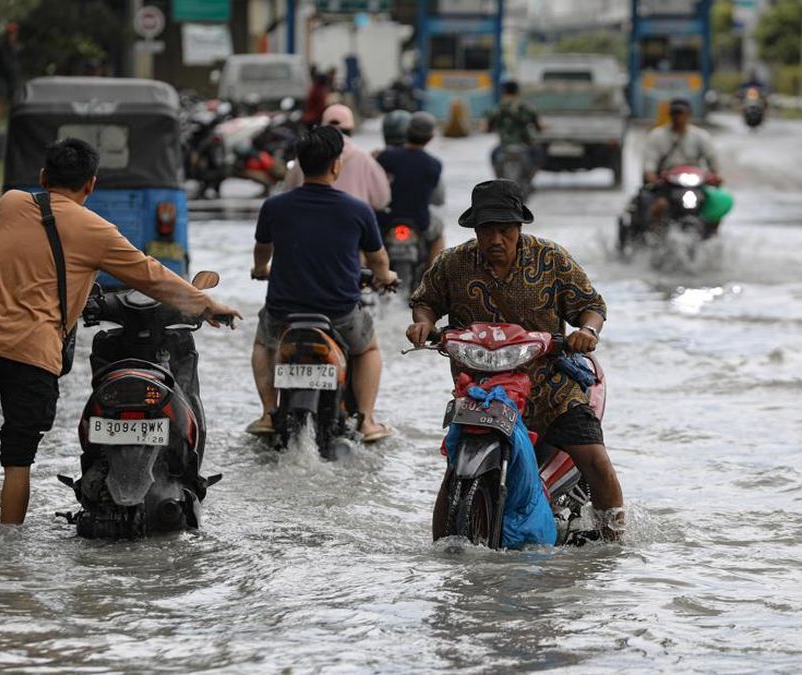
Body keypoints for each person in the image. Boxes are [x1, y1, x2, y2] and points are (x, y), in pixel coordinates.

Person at [0, 138, 241, 525]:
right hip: (32, 353)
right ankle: (8, 545)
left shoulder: (10, 203)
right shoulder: (97, 230)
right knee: (17, 460)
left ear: (42, 176)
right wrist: (207, 304)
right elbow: (150, 274)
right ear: (91, 185)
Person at [406, 179, 625, 542]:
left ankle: (614, 542)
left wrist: (587, 331)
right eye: (487, 231)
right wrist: (423, 323)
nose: (495, 240)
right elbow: (425, 300)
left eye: (504, 231)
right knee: (452, 473)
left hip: (550, 389)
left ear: (519, 228)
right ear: (475, 230)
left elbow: (591, 307)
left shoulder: (550, 258)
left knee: (594, 459)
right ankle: (442, 550)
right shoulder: (452, 263)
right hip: (480, 393)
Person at [247, 126, 398, 441]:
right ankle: (368, 421)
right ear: (336, 165)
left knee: (264, 343)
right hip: (339, 314)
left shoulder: (275, 207)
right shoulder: (358, 209)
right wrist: (385, 277)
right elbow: (378, 259)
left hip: (283, 313)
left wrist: (261, 268)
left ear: (301, 164)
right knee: (368, 348)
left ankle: (266, 413)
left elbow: (262, 251)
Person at [633, 98, 729, 235]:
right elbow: (649, 166)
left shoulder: (700, 136)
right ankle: (654, 235)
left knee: (715, 208)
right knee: (660, 206)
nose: (678, 117)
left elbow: (713, 162)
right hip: (666, 185)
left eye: (681, 113)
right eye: (675, 113)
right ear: (670, 115)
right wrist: (653, 178)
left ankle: (712, 236)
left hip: (696, 184)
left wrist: (715, 177)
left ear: (688, 115)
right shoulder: (657, 136)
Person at [284, 104, 390, 212]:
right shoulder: (364, 158)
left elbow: (288, 190)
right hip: (352, 223)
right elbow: (381, 200)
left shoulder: (306, 155)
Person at [376, 111, 446, 261]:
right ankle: (433, 276)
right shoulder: (433, 164)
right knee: (438, 231)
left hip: (384, 220)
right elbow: (438, 199)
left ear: (407, 132)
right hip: (419, 222)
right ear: (431, 137)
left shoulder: (384, 157)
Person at [485, 80, 542, 169]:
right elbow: (537, 125)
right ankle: (533, 172)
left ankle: (497, 176)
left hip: (504, 144)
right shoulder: (526, 107)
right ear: (517, 91)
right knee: (538, 153)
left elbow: (488, 127)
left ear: (504, 92)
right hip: (524, 143)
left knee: (493, 155)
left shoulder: (498, 108)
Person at [0, 22, 22, 132]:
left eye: (13, 33)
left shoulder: (18, 47)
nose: (11, 35)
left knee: (14, 102)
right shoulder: (0, 47)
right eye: (10, 33)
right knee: (0, 99)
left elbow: (18, 62)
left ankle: (14, 125)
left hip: (14, 77)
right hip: (3, 77)